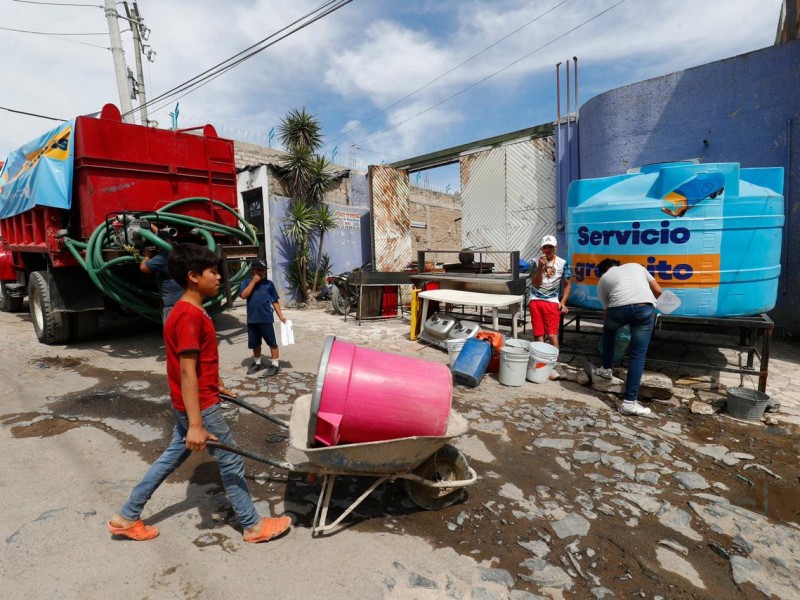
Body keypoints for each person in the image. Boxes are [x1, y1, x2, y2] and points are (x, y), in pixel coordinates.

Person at [108, 243, 291, 543]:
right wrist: (196, 423)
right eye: (212, 272)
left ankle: (126, 516)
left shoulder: (191, 310)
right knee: (231, 460)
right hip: (200, 407)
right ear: (193, 276)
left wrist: (215, 380)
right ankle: (253, 526)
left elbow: (198, 362)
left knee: (171, 456)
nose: (219, 277)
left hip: (193, 400)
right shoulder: (189, 317)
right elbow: (186, 371)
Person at [593, 259, 663, 417]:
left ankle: (606, 368)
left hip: (618, 311)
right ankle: (629, 403)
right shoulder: (637, 266)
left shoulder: (603, 280)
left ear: (603, 272)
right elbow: (658, 291)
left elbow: (607, 311)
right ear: (617, 265)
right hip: (644, 309)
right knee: (638, 355)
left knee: (609, 331)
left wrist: (609, 326)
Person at [240, 259, 286, 376]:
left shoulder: (269, 284)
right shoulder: (246, 282)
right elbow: (244, 296)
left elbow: (275, 301)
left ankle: (275, 364)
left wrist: (280, 316)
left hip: (266, 319)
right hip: (252, 319)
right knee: (255, 343)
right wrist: (253, 282)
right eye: (258, 270)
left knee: (272, 342)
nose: (261, 272)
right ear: (252, 271)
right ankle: (258, 362)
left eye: (263, 270)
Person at [529, 235, 571, 349]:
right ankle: (540, 361)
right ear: (541, 249)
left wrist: (562, 302)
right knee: (539, 336)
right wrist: (540, 268)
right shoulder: (535, 262)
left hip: (552, 300)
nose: (547, 250)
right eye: (545, 247)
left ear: (555, 248)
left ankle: (554, 361)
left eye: (550, 247)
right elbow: (536, 283)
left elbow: (567, 285)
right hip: (535, 299)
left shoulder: (562, 263)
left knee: (552, 335)